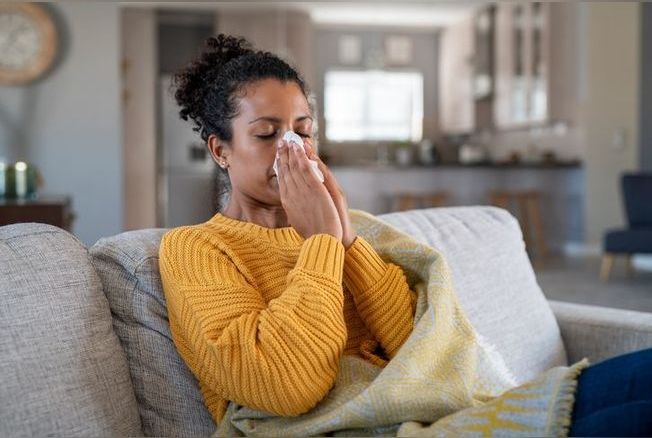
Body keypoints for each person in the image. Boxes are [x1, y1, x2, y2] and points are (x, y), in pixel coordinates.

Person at [158, 34, 652, 437]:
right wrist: (322, 245)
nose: (293, 148)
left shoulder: (351, 233)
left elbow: (421, 350)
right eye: (267, 134)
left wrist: (346, 239)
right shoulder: (197, 249)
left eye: (303, 132)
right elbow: (287, 386)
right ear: (221, 149)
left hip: (438, 412)